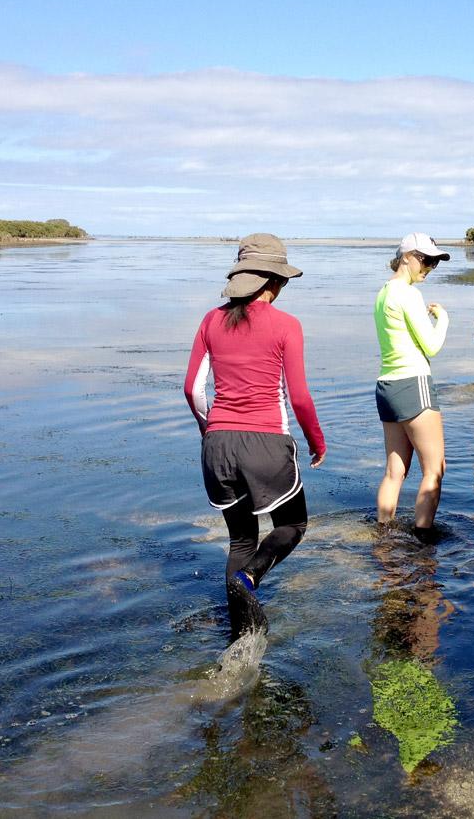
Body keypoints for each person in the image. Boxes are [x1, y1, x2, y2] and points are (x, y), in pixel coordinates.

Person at [183, 233, 327, 641]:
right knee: (293, 524)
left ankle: (239, 637)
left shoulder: (211, 320)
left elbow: (192, 389)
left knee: (241, 540)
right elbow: (299, 397)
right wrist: (316, 441)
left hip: (218, 446)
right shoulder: (286, 325)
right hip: (265, 444)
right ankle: (250, 578)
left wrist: (210, 431)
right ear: (272, 281)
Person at [373, 232, 450, 530]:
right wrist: (443, 319)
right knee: (435, 469)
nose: (429, 267)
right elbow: (431, 346)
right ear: (406, 257)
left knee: (395, 471)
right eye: (425, 260)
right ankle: (423, 541)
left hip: (386, 387)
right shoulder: (408, 294)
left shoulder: (383, 293)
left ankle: (383, 537)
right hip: (413, 383)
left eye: (434, 263)